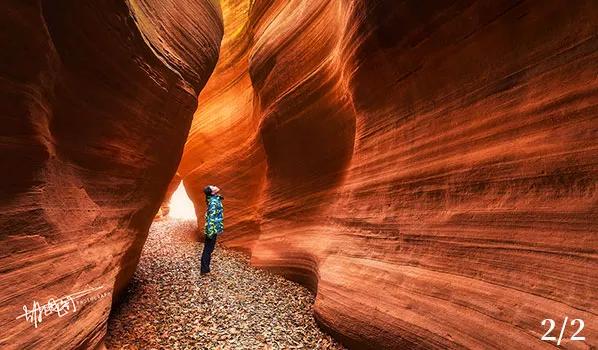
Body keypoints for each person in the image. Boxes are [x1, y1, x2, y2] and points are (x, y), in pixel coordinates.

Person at [200, 185, 224, 275]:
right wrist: (210, 233)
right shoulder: (213, 202)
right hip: (212, 229)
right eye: (213, 186)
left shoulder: (214, 199)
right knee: (208, 249)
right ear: (212, 192)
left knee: (209, 249)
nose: (215, 186)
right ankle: (204, 270)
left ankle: (206, 269)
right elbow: (211, 218)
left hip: (213, 228)